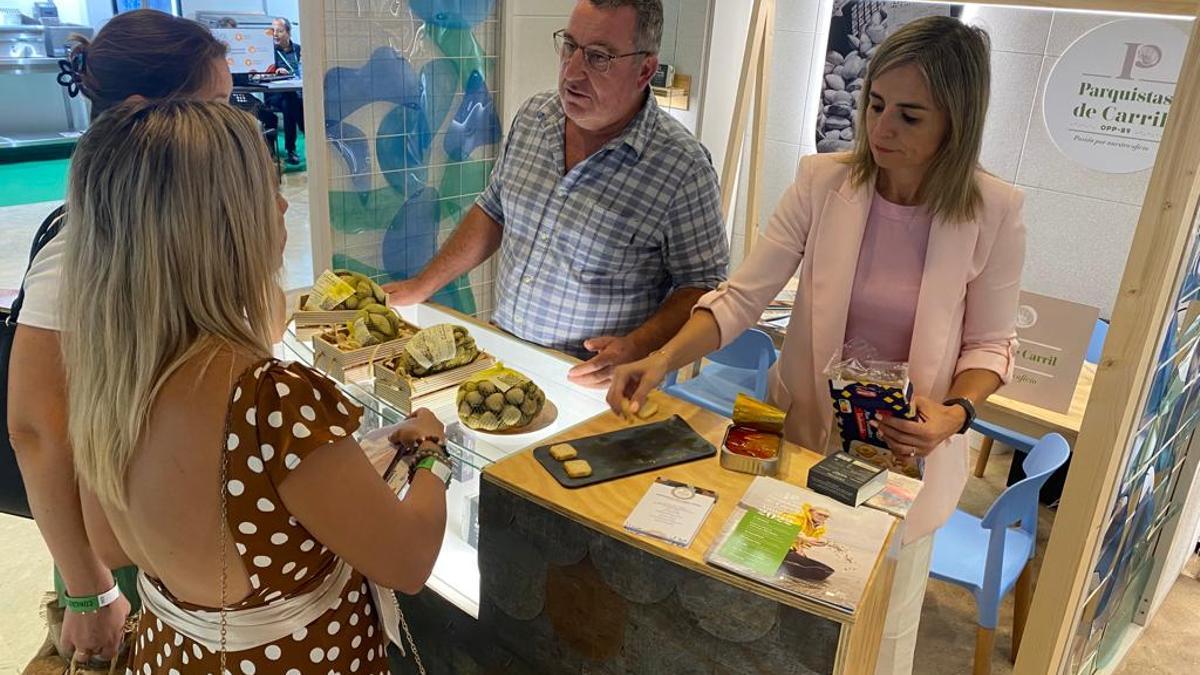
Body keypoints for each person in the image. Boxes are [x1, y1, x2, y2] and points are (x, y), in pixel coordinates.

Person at [607, 16, 1022, 675]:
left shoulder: (993, 210)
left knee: (876, 638)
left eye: (910, 117)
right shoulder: (824, 181)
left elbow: (992, 346)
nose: (881, 130)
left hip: (906, 464)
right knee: (775, 615)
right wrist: (661, 357)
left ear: (956, 122)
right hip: (800, 442)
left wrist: (954, 414)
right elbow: (742, 295)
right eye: (875, 105)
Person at [59, 99, 450, 672]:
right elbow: (409, 561)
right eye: (266, 190)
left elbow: (112, 545)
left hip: (174, 653)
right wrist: (432, 456)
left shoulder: (106, 379)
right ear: (222, 227)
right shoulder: (274, 399)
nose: (284, 202)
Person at [9, 9, 233, 666]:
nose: (235, 126)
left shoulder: (161, 223)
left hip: (157, 528)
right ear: (144, 113)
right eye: (216, 106)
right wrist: (88, 592)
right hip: (110, 558)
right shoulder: (83, 245)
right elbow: (38, 427)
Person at [385, 0, 728, 388]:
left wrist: (638, 346)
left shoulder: (682, 167)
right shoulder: (534, 117)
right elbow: (494, 210)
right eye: (569, 46)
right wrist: (422, 286)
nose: (572, 71)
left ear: (645, 69)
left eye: (599, 57)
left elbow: (703, 286)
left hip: (593, 384)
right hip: (503, 357)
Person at [265, 16, 304, 165]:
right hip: (275, 94)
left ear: (288, 32)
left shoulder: (299, 49)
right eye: (273, 31)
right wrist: (276, 71)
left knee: (291, 102)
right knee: (290, 101)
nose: (275, 34)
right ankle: (292, 148)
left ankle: (292, 149)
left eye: (279, 31)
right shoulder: (269, 52)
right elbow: (263, 74)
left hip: (296, 93)